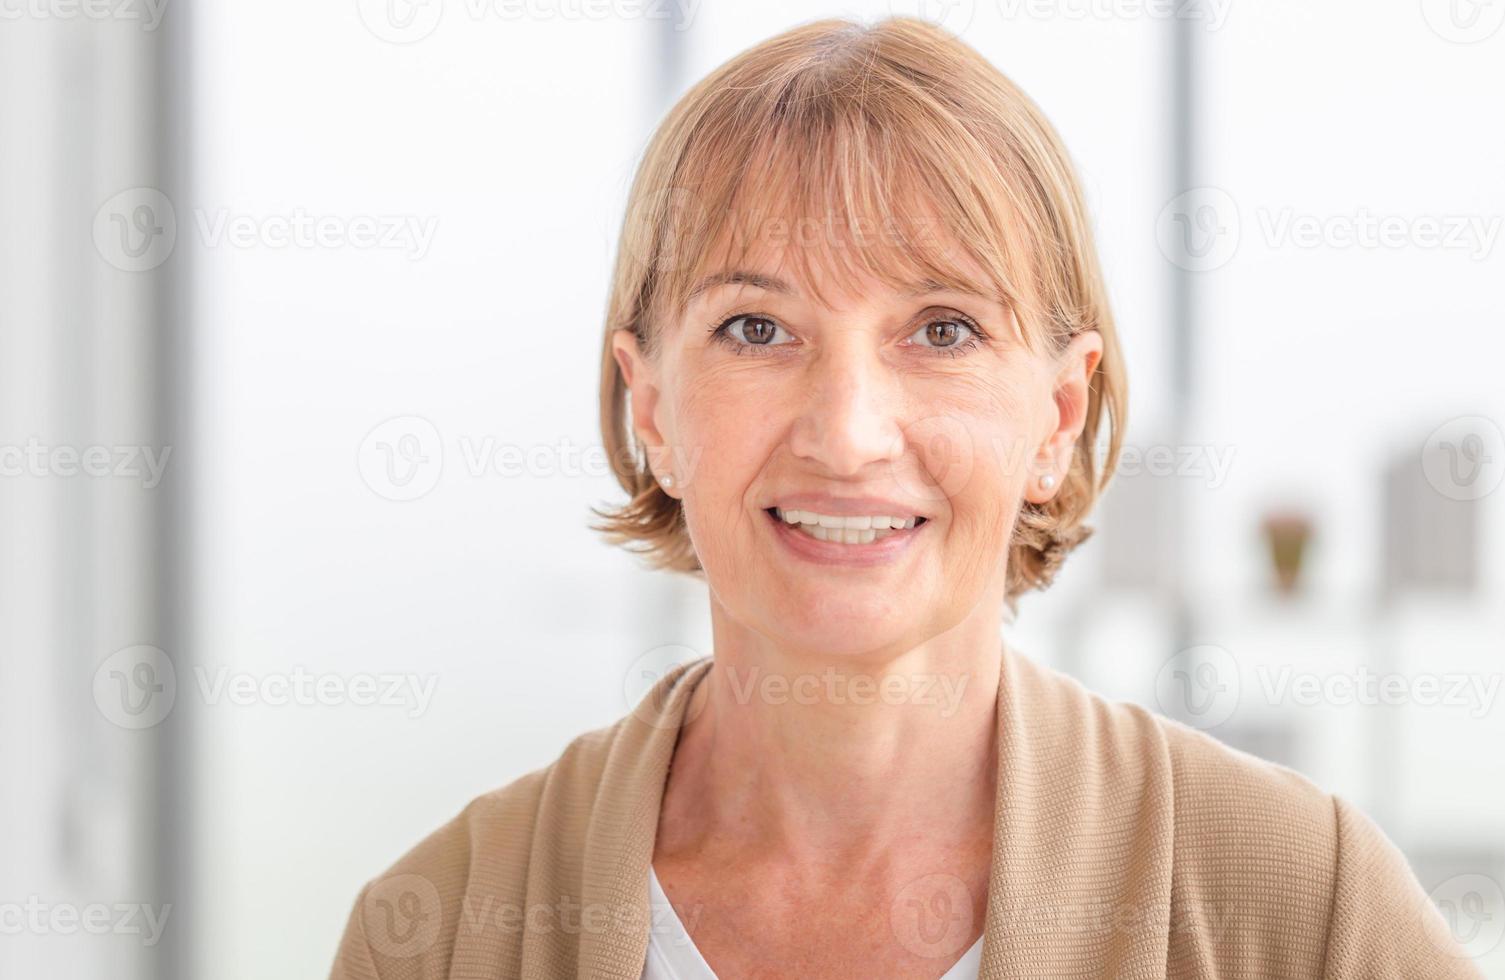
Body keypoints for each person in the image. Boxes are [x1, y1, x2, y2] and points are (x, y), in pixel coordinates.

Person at [329, 16, 1480, 979]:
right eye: (755, 328)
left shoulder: (1296, 903)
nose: (846, 431)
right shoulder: (441, 924)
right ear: (650, 407)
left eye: (941, 330)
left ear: (1058, 416)